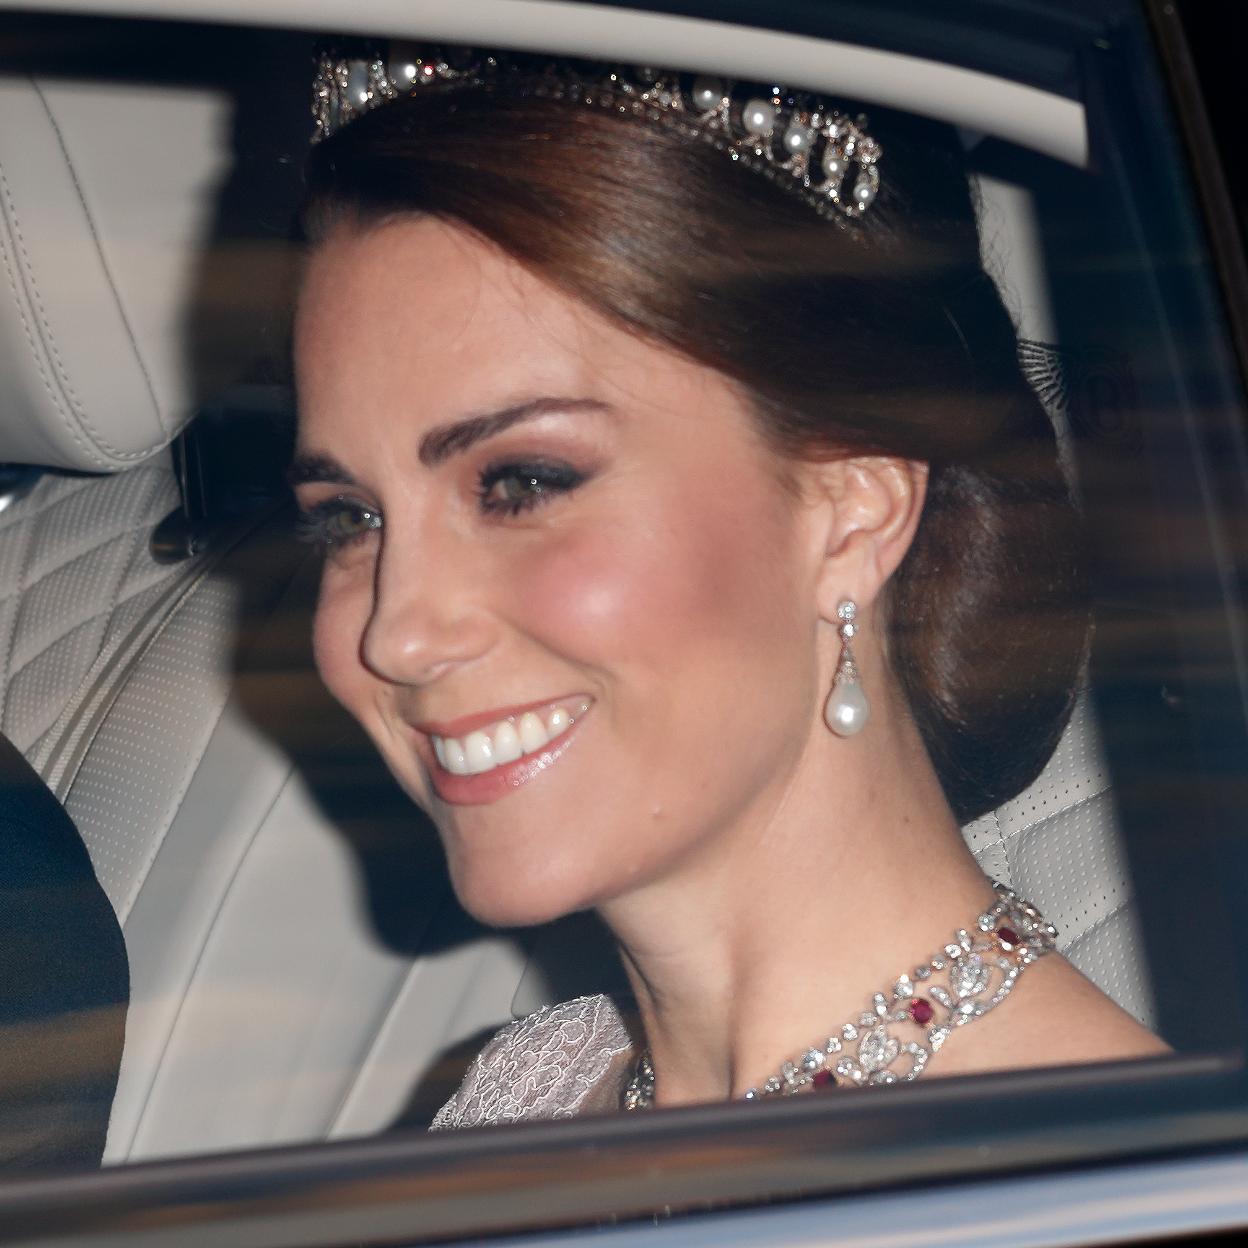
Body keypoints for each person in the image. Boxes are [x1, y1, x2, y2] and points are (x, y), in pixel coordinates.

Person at [291, 46, 1167, 1126]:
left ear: (854, 508)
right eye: (351, 520)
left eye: (521, 483)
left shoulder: (1095, 1183)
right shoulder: (526, 1094)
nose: (401, 634)